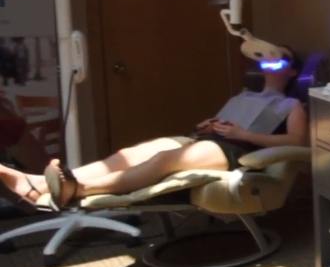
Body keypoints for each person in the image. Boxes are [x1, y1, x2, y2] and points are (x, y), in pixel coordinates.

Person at [0, 48, 308, 209]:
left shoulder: (292, 105)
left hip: (235, 149)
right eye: (265, 58)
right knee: (127, 155)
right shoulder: (242, 96)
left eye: (279, 59)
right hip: (203, 138)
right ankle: (39, 184)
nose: (270, 62)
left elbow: (297, 141)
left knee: (162, 162)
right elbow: (217, 123)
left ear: (292, 70)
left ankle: (77, 189)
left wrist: (245, 135)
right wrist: (207, 124)